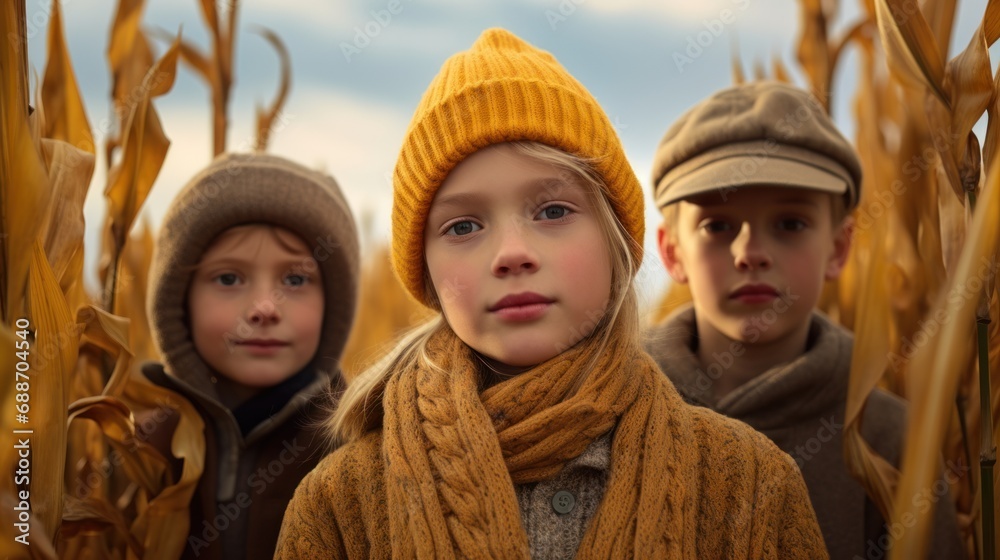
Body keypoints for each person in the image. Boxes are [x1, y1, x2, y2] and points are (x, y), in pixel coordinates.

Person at [275, 30, 827, 559]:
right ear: (428, 273)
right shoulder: (339, 506)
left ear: (617, 245)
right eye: (463, 226)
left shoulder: (752, 487)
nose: (512, 253)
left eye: (554, 211)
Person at [645, 80, 965, 559]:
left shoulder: (888, 437)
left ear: (838, 248)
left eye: (790, 224)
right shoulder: (615, 406)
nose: (750, 253)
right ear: (672, 252)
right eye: (718, 226)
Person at [141, 152, 360, 559]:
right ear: (179, 303)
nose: (264, 307)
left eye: (295, 279)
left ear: (334, 305)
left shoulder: (357, 443)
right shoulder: (133, 441)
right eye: (229, 278)